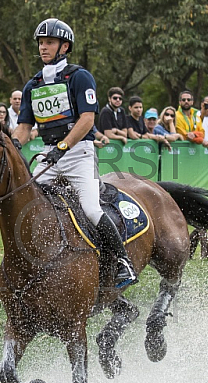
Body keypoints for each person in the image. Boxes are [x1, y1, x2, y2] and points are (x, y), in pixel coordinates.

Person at [12, 18, 137, 288]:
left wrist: (63, 147)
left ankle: (122, 262)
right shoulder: (32, 85)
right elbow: (24, 127)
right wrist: (13, 145)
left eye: (49, 42)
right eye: (41, 43)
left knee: (91, 209)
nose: (43, 47)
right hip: (49, 154)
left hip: (78, 152)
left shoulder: (79, 76)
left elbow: (87, 121)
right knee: (31, 205)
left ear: (64, 46)